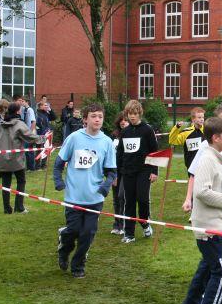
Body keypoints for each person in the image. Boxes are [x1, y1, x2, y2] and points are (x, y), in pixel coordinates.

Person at [181, 117, 222, 304]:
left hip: (213, 224)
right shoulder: (207, 159)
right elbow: (202, 192)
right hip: (210, 228)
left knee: (205, 272)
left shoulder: (214, 158)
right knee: (221, 273)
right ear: (215, 138)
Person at [53, 103, 117, 279]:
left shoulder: (107, 142)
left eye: (100, 116)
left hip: (94, 198)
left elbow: (112, 171)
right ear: (86, 119)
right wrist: (58, 181)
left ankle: (78, 265)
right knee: (73, 230)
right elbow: (59, 163)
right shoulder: (74, 138)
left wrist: (106, 184)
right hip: (74, 196)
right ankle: (64, 249)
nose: (97, 119)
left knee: (87, 233)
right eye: (94, 116)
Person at [0, 102, 46, 214]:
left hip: (3, 158)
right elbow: (31, 137)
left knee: (5, 184)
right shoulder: (18, 124)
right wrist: (44, 138)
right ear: (17, 111)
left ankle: (7, 209)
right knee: (21, 181)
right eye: (20, 110)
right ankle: (19, 207)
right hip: (16, 159)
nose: (21, 111)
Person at [116, 100, 158, 244]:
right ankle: (129, 234)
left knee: (143, 199)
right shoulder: (125, 132)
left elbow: (154, 151)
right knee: (129, 202)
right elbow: (120, 153)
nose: (132, 117)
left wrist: (154, 171)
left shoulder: (147, 130)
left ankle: (145, 222)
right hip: (127, 171)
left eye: (134, 114)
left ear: (139, 113)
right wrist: (117, 173)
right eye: (130, 114)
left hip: (144, 171)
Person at [110, 112, 129, 235]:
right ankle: (117, 224)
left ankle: (123, 224)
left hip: (126, 171)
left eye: (126, 120)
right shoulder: (113, 137)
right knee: (116, 198)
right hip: (115, 171)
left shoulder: (132, 135)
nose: (123, 122)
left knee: (122, 197)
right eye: (121, 120)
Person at [14, 95, 37, 172]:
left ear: (27, 102)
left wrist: (30, 132)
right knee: (25, 150)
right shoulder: (23, 109)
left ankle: (31, 167)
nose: (21, 102)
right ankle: (27, 166)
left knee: (29, 151)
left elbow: (33, 122)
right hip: (24, 133)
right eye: (20, 101)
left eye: (23, 101)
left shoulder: (29, 110)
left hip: (28, 132)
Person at [35, 101, 56, 169]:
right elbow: (37, 124)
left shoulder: (46, 113)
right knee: (39, 149)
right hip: (40, 134)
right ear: (40, 106)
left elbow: (53, 117)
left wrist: (50, 110)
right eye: (45, 105)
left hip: (47, 134)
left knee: (46, 148)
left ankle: (43, 165)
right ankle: (37, 165)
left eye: (47, 105)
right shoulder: (37, 114)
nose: (46, 106)